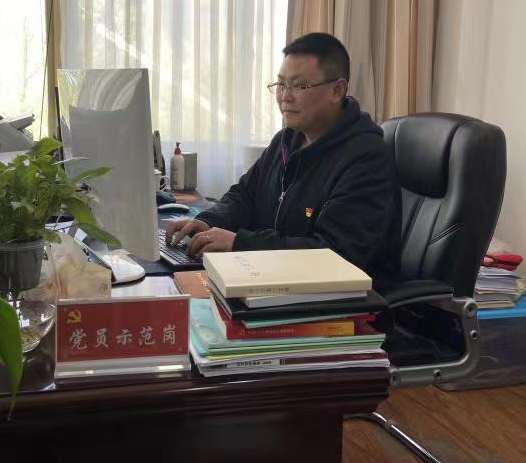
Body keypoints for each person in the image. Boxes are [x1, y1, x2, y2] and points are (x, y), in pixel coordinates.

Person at [165, 32, 403, 284]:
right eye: (281, 85)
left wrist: (240, 243)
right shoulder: (286, 140)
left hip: (340, 298)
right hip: (275, 281)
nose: (285, 97)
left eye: (299, 86)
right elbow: (244, 195)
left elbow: (334, 254)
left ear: (337, 90)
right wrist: (207, 222)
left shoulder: (366, 159)